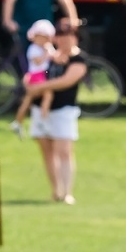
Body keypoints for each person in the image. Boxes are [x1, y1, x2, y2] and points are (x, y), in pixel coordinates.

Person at [24, 19, 88, 204]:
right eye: (61, 36)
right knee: (47, 151)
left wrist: (40, 87)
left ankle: (67, 191)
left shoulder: (78, 59)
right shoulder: (51, 56)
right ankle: (56, 190)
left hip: (63, 110)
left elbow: (66, 81)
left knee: (64, 151)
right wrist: (30, 81)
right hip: (41, 109)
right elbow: (39, 72)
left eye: (68, 36)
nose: (64, 40)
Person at [12, 18, 57, 134]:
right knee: (47, 95)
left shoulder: (46, 48)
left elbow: (55, 57)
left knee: (28, 99)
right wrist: (46, 54)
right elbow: (38, 62)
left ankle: (18, 121)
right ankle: (42, 119)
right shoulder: (33, 49)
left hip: (44, 75)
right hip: (36, 76)